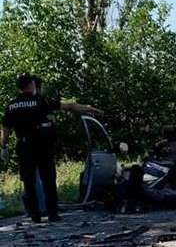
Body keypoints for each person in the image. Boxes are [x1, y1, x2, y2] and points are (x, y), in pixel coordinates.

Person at [1, 74, 102, 223]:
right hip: (42, 146)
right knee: (48, 179)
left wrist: (3, 146)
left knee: (28, 182)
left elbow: (6, 129)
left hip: (24, 146)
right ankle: (52, 214)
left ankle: (35, 215)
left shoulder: (11, 105)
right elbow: (69, 106)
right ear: (31, 85)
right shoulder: (39, 101)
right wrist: (89, 109)